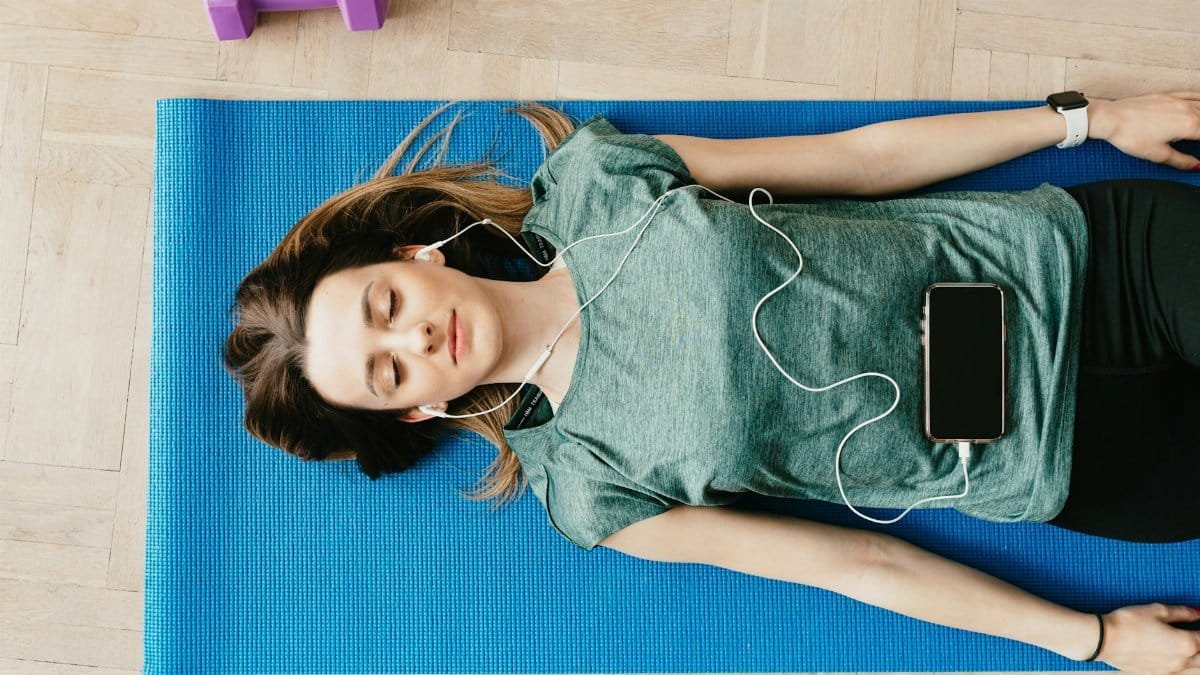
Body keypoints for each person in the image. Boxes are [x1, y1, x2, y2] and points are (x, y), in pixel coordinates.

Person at [223, 93, 1200, 671]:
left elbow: (859, 161)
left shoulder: (600, 178)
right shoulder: (590, 488)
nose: (418, 338)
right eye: (390, 372)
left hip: (1086, 262)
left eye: (386, 304)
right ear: (419, 408)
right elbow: (851, 566)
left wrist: (1089, 117)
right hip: (1078, 457)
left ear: (414, 254)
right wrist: (1092, 640)